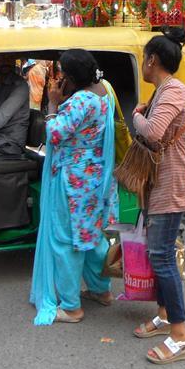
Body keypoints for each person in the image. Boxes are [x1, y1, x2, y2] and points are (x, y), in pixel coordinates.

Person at [30, 49, 117, 324]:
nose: (60, 79)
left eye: (63, 75)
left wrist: (53, 104)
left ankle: (71, 307)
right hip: (94, 177)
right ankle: (100, 290)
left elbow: (55, 133)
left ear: (70, 77)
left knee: (66, 242)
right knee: (91, 238)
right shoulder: (104, 91)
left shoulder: (81, 101)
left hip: (73, 181)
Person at [132, 27, 185, 364]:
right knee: (160, 253)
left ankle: (181, 335)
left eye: (144, 58)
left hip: (170, 183)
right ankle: (165, 315)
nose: (142, 63)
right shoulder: (165, 90)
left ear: (152, 60)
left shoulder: (172, 91)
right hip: (161, 181)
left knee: (161, 257)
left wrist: (137, 117)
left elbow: (155, 132)